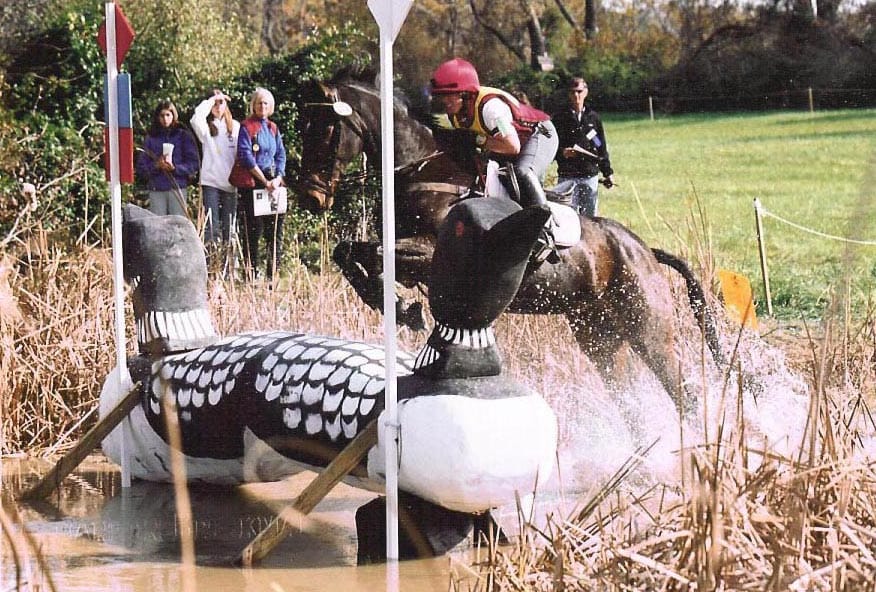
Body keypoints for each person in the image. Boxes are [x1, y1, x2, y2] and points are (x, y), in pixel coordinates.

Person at [429, 58, 560, 262]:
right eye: (441, 96)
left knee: (523, 172)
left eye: (448, 96)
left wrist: (478, 140)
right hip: (509, 141)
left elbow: (512, 146)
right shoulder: (457, 114)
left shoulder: (491, 108)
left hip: (540, 134)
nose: (443, 101)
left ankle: (545, 232)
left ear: (464, 94)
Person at [233, 87, 287, 282]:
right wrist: (264, 181)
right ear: (253, 105)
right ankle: (251, 273)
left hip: (274, 183)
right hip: (254, 183)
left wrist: (278, 178)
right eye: (259, 103)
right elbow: (245, 155)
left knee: (275, 231)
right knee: (253, 231)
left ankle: (273, 274)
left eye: (265, 103)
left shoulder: (273, 128)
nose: (262, 106)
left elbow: (280, 154)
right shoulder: (247, 127)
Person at [551, 77, 614, 217]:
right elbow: (551, 146)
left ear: (586, 92)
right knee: (568, 217)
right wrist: (562, 152)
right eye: (572, 92)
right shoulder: (560, 118)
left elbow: (600, 146)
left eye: (579, 91)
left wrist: (607, 172)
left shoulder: (593, 118)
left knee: (590, 219)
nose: (576, 95)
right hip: (567, 176)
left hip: (589, 175)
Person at [190, 90, 240, 247]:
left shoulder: (235, 127)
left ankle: (230, 261)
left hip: (230, 184)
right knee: (211, 228)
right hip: (211, 183)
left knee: (229, 228)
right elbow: (196, 118)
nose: (218, 107)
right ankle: (212, 260)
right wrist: (211, 100)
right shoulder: (205, 128)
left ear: (226, 105)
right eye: (214, 104)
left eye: (221, 103)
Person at [135, 99, 200, 217]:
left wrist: (175, 168)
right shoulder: (151, 138)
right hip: (157, 188)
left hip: (177, 187)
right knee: (158, 224)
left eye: (168, 115)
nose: (165, 119)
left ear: (173, 115)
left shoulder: (183, 136)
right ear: (157, 117)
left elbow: (193, 164)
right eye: (162, 115)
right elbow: (141, 167)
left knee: (177, 223)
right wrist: (156, 165)